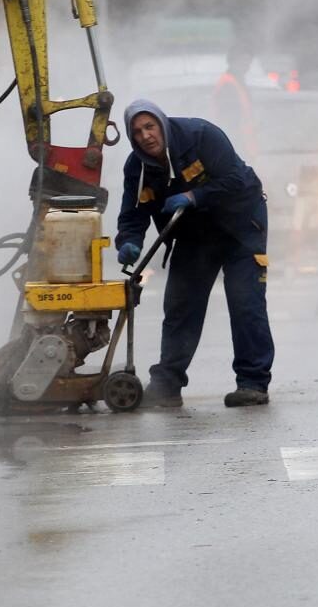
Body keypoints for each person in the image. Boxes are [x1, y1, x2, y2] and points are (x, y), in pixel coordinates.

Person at [115, 99, 273, 408]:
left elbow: (237, 180)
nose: (146, 135)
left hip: (239, 226)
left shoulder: (201, 136)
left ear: (161, 123)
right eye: (137, 132)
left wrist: (195, 195)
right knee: (180, 305)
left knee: (245, 302)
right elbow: (133, 212)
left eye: (150, 126)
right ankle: (167, 385)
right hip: (194, 234)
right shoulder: (138, 168)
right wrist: (128, 241)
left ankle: (253, 383)